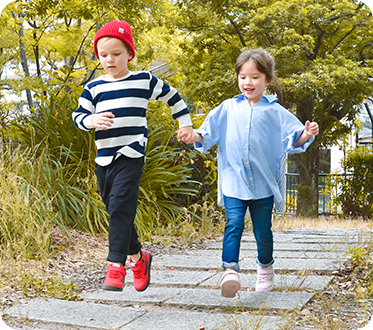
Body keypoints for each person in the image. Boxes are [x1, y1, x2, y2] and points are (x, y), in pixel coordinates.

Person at [177, 49, 319, 298]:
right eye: (243, 77)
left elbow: (294, 140)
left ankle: (265, 268)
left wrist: (307, 133)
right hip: (234, 182)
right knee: (233, 224)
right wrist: (193, 136)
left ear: (267, 79)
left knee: (262, 231)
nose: (248, 83)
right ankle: (230, 271)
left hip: (263, 185)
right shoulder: (228, 108)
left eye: (254, 77)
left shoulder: (275, 112)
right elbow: (207, 134)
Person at [72, 20, 193, 292]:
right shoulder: (94, 87)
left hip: (131, 153)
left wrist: (184, 124)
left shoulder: (143, 80)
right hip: (103, 159)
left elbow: (174, 98)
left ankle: (116, 266)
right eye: (103, 55)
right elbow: (78, 117)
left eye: (116, 54)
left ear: (129, 54)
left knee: (120, 207)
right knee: (116, 210)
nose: (109, 60)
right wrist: (92, 121)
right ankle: (139, 258)